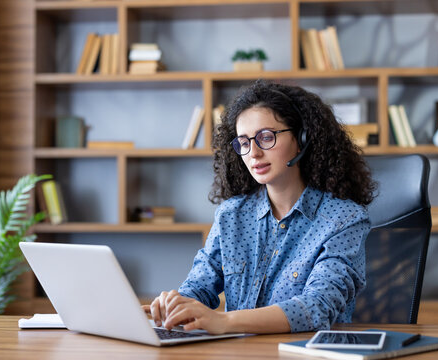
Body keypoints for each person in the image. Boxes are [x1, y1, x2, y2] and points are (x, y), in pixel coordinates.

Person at [143, 80, 376, 334]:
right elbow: (199, 286)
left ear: (302, 139)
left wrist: (224, 321)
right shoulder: (231, 215)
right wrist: (175, 305)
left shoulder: (344, 219)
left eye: (266, 137)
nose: (253, 153)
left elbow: (317, 307)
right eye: (243, 142)